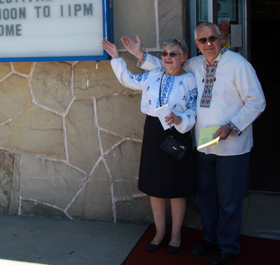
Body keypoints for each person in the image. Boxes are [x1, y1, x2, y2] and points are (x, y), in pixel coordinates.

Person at [122, 22, 266, 265]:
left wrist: (232, 126)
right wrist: (140, 54)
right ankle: (210, 238)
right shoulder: (195, 65)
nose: (208, 44)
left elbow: (256, 101)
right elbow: (168, 65)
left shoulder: (239, 65)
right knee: (206, 196)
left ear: (221, 38)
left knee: (229, 201)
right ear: (197, 45)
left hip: (232, 145)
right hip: (203, 142)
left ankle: (228, 247)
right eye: (202, 41)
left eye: (212, 38)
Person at [102, 37, 197, 255]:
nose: (168, 58)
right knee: (155, 185)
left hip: (177, 133)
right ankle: (160, 232)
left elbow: (194, 109)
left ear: (184, 57)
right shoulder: (154, 74)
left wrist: (181, 118)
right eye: (165, 54)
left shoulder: (191, 80)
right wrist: (117, 58)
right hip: (154, 132)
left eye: (173, 54)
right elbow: (129, 79)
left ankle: (176, 235)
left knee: (176, 187)